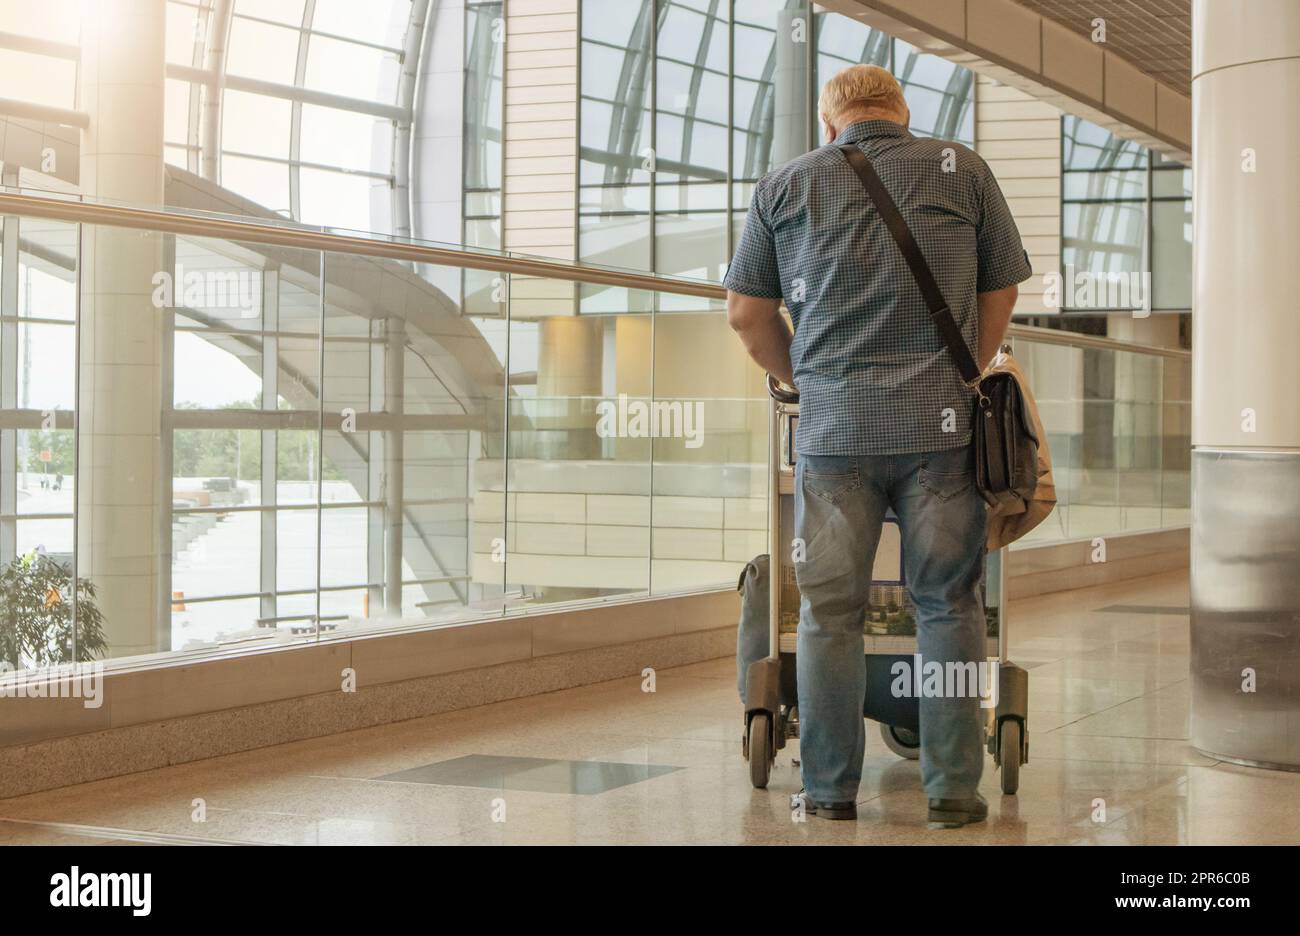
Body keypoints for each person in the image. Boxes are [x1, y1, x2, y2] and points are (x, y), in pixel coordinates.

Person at [724, 64, 1031, 828]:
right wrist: (965, 369)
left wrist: (806, 380)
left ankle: (829, 794)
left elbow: (744, 314)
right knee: (949, 605)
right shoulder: (964, 171)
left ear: (831, 124)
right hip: (942, 433)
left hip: (834, 437)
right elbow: (1001, 291)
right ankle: (953, 792)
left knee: (830, 615)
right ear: (902, 112)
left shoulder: (785, 185)